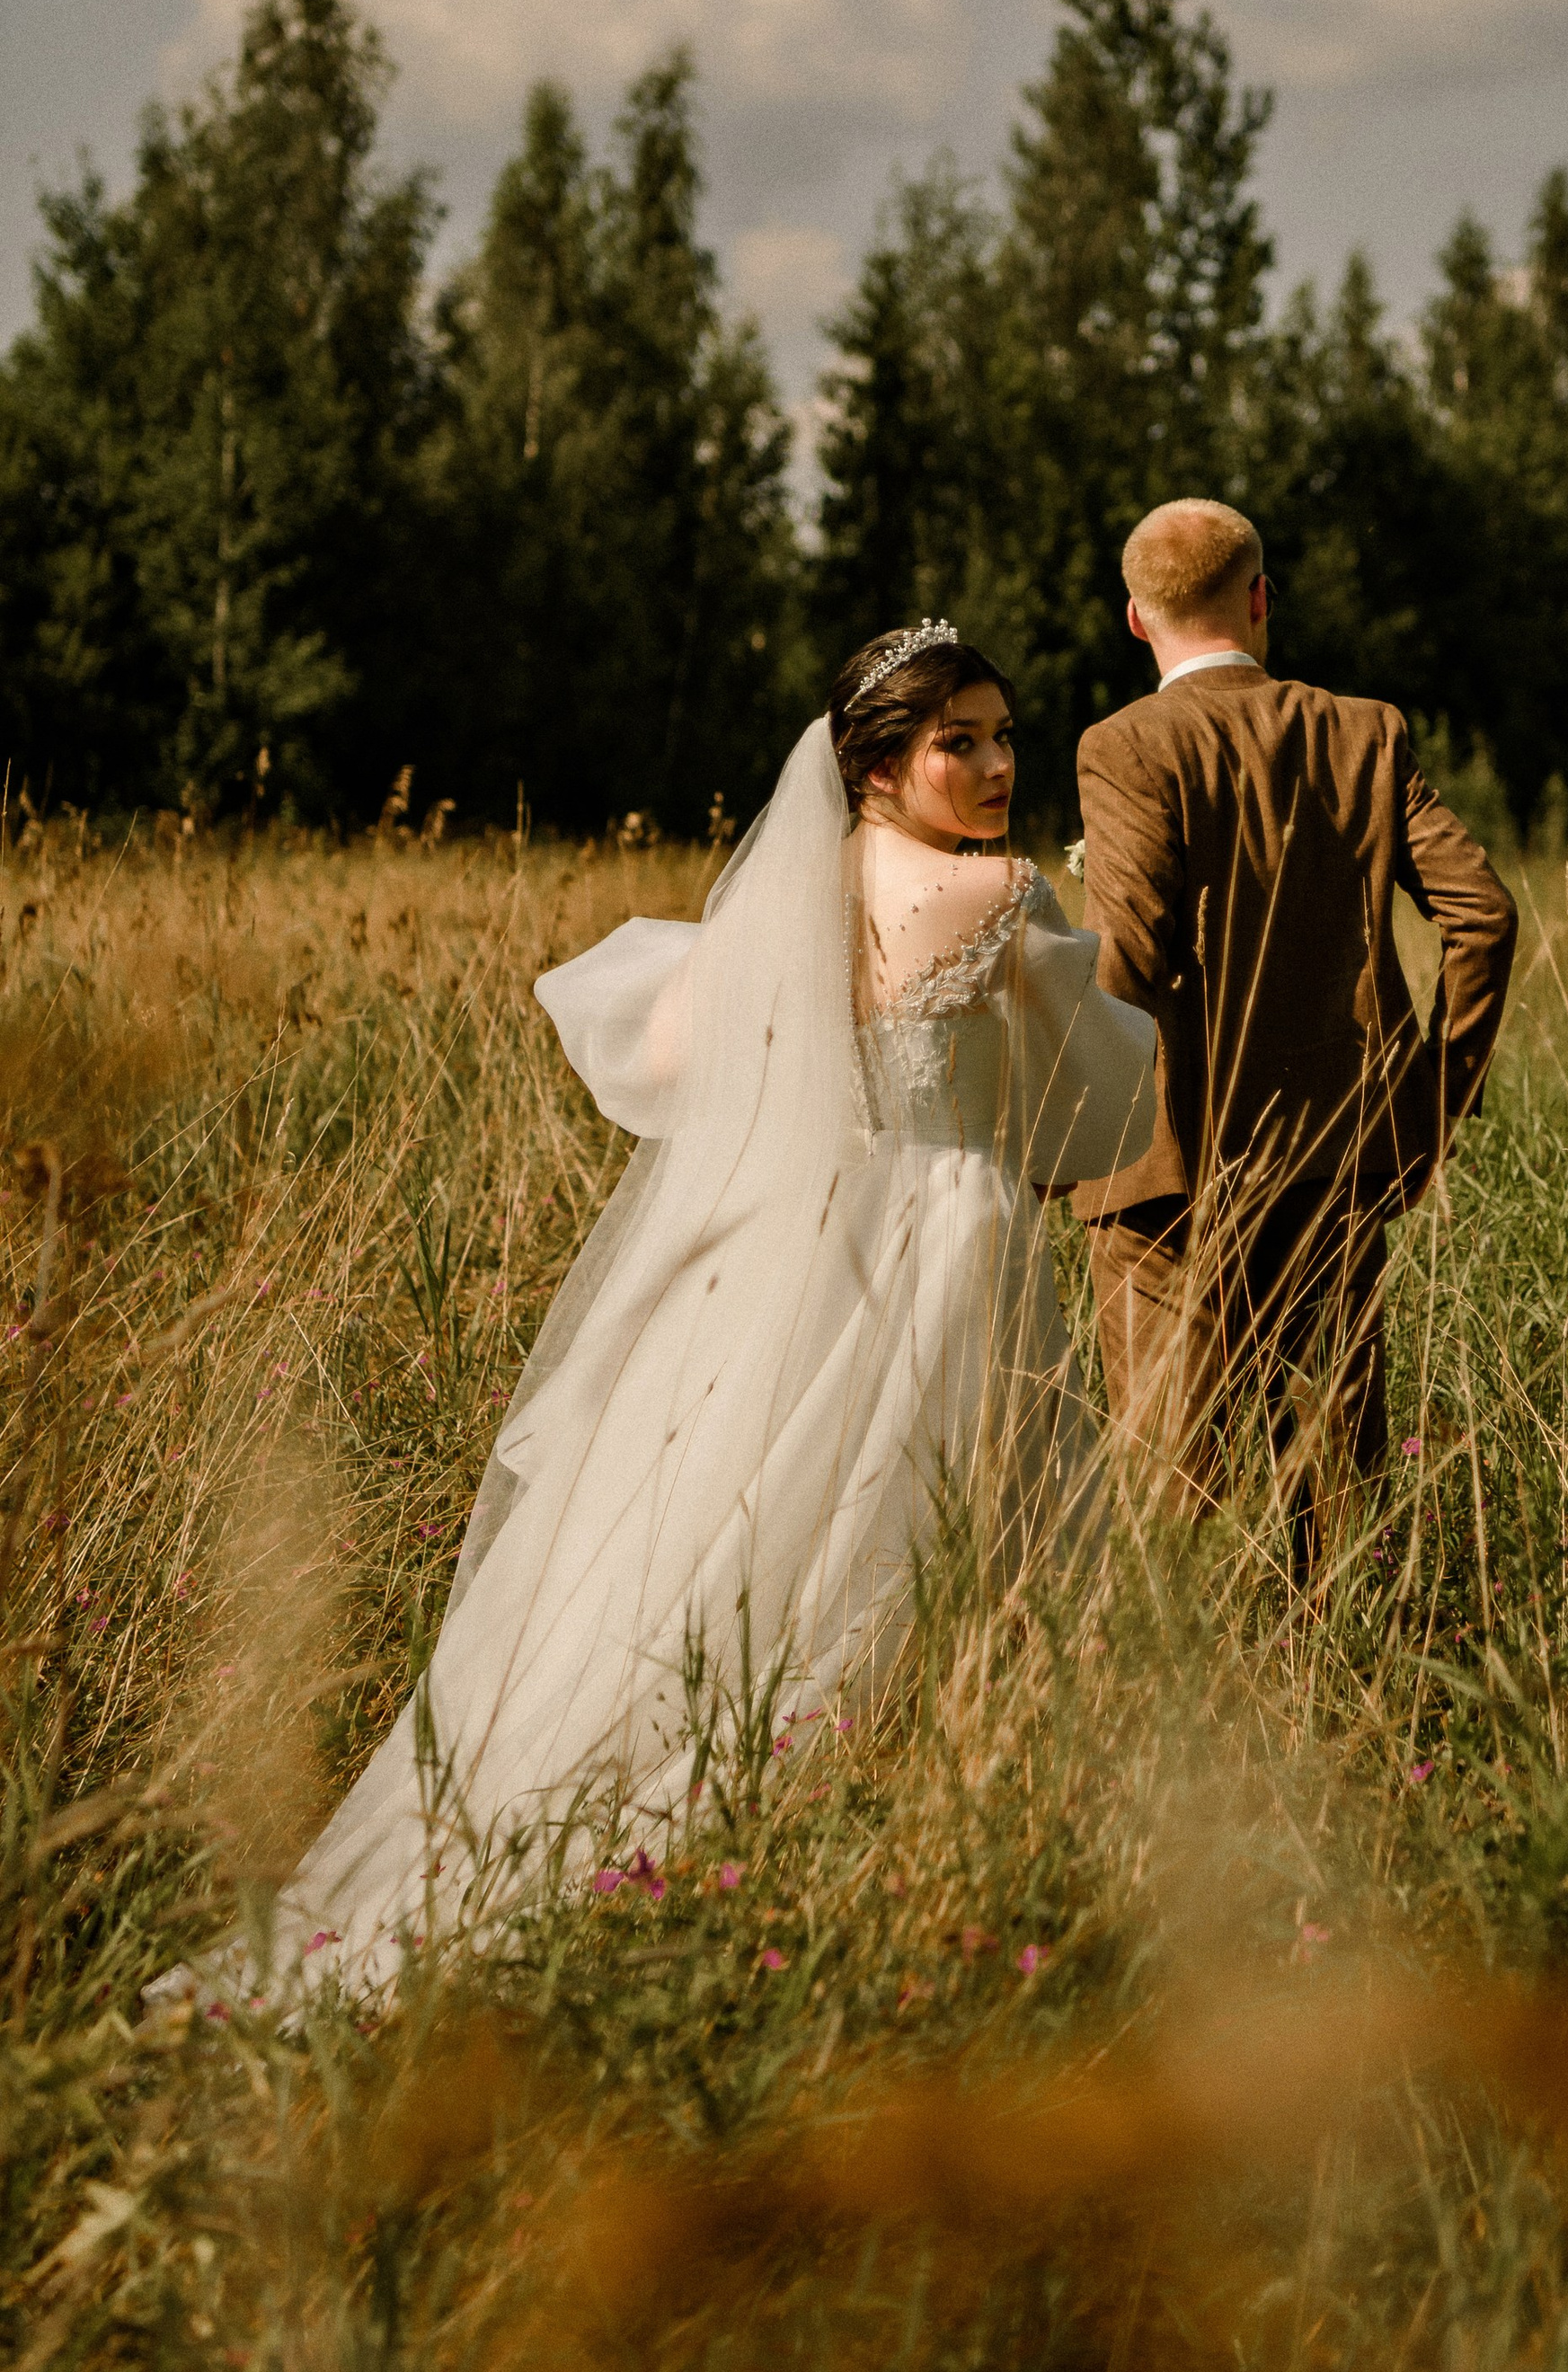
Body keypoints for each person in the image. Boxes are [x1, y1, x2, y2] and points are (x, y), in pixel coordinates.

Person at [160, 628, 1155, 2009]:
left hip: (793, 1244)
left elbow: (682, 1050)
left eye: (1000, 735)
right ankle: (901, 1825)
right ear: (876, 765)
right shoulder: (997, 891)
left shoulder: (794, 890)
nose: (993, 764)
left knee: (749, 1524)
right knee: (928, 1534)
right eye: (958, 741)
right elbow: (1095, 1082)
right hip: (941, 1234)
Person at [1071, 500, 1518, 1554]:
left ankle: (1194, 1698)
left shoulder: (1124, 745)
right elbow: (1483, 915)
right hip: (1338, 1160)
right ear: (1262, 598)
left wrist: (1064, 1129)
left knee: (1173, 1488)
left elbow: (1124, 963)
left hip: (1165, 1172)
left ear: (1135, 619)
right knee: (1329, 1482)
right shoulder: (1365, 730)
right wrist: (1431, 1103)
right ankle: (1340, 1689)